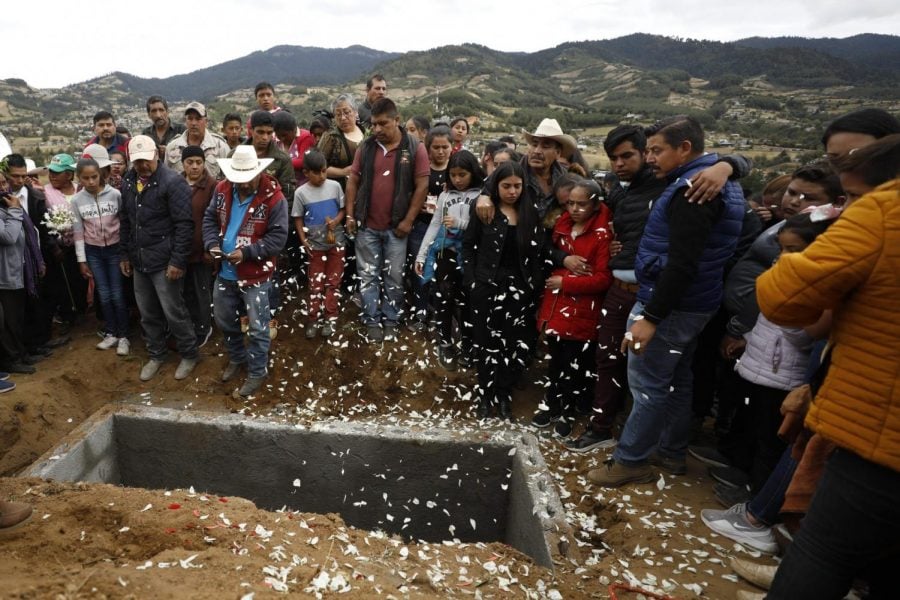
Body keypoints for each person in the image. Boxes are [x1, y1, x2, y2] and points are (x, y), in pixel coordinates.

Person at [757, 139, 900, 600]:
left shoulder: (882, 214)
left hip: (879, 429)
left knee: (825, 551)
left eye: (852, 196)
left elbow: (784, 298)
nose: (846, 207)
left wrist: (799, 254)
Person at [564, 124, 750, 453]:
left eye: (632, 155)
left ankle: (634, 456)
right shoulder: (621, 190)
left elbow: (683, 260)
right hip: (624, 288)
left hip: (658, 300)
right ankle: (615, 432)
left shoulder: (681, 186)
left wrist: (726, 165)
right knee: (615, 363)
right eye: (612, 158)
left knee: (651, 382)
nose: (621, 163)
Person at [203, 145, 288, 397]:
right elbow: (209, 219)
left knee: (259, 326)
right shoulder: (222, 190)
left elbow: (278, 238)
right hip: (225, 272)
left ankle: (257, 371)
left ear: (258, 173)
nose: (242, 184)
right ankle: (238, 358)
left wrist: (248, 253)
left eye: (246, 179)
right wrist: (212, 244)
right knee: (224, 319)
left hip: (257, 275)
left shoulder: (274, 199)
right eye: (237, 179)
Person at [462, 160, 542, 420]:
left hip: (519, 290)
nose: (512, 191)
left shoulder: (531, 212)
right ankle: (485, 395)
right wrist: (473, 283)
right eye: (506, 186)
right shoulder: (485, 210)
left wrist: (532, 285)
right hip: (487, 286)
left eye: (517, 186)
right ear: (495, 186)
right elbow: (468, 247)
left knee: (512, 345)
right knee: (487, 344)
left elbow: (538, 252)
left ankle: (504, 393)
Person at [344, 98, 429, 342]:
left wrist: (408, 221)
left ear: (397, 120)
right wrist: (350, 214)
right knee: (368, 274)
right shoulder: (367, 146)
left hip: (397, 227)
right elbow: (353, 181)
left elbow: (422, 185)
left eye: (383, 124)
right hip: (367, 226)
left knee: (394, 276)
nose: (377, 129)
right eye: (373, 125)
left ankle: (391, 319)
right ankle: (372, 319)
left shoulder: (414, 147)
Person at [533, 179, 612, 438]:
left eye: (582, 204)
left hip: (581, 312)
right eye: (571, 204)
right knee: (556, 361)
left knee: (576, 365)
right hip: (557, 307)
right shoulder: (562, 225)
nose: (575, 209)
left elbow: (602, 279)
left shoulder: (602, 235)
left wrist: (565, 282)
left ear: (595, 204)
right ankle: (552, 404)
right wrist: (563, 265)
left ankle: (569, 410)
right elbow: (547, 253)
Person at [119, 135, 199, 381]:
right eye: (137, 161)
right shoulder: (129, 182)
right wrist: (125, 253)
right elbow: (126, 220)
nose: (143, 165)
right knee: (147, 312)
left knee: (174, 310)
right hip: (140, 259)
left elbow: (185, 225)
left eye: (146, 160)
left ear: (156, 155)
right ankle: (156, 354)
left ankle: (189, 353)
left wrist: (177, 261)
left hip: (164, 260)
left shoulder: (172, 183)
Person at [414, 150, 484, 368]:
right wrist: (422, 254)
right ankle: (444, 342)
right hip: (445, 255)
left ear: (472, 172)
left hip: (471, 257)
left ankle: (468, 344)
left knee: (467, 301)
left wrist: (460, 224)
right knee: (444, 298)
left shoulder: (482, 196)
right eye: (453, 175)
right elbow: (436, 224)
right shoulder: (445, 196)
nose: (457, 180)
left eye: (462, 174)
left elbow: (483, 227)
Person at [71, 157, 129, 356]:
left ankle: (123, 335)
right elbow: (78, 231)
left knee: (117, 293)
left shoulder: (115, 195)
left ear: (101, 175)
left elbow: (124, 222)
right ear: (79, 179)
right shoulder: (77, 200)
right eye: (85, 178)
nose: (91, 182)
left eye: (94, 177)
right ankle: (111, 332)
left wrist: (124, 252)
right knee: (103, 293)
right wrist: (81, 260)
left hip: (114, 249)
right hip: (93, 251)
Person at [293, 150, 346, 338]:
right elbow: (298, 218)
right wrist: (303, 239)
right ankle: (313, 318)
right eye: (316, 172)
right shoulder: (301, 193)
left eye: (324, 171)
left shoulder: (335, 187)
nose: (321, 176)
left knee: (333, 281)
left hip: (336, 243)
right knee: (316, 282)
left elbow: (342, 210)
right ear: (306, 173)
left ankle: (331, 317)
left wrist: (336, 221)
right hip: (314, 245)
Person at [406, 125, 452, 331]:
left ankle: (440, 314)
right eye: (436, 147)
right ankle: (420, 313)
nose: (441, 151)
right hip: (421, 227)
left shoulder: (457, 171)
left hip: (448, 232)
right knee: (420, 270)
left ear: (452, 147)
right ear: (428, 148)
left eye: (445, 146)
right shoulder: (422, 170)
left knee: (443, 273)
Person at [0, 165, 43, 375]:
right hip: (5, 273)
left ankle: (23, 353)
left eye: (3, 183)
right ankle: (12, 359)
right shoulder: (10, 207)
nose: (4, 187)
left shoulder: (5, 204)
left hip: (17, 268)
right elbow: (8, 237)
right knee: (9, 320)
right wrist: (15, 211)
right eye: (0, 184)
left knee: (19, 316)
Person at [180, 146, 216, 347]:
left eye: (199, 162)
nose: (194, 167)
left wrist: (209, 248)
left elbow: (215, 219)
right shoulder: (176, 183)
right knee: (185, 291)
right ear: (183, 164)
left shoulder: (211, 186)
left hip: (202, 250)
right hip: (180, 251)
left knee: (202, 290)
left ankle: (204, 327)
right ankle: (189, 326)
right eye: (190, 162)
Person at [164, 102, 230, 179]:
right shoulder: (172, 147)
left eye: (198, 119)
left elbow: (228, 181)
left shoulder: (220, 147)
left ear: (206, 121)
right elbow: (166, 178)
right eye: (190, 118)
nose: (193, 123)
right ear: (186, 121)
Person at [317, 94, 365, 190]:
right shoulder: (330, 137)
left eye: (347, 112)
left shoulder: (365, 132)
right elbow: (318, 166)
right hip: (339, 190)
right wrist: (343, 172)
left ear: (355, 112)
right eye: (338, 114)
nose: (343, 118)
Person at [273, 110, 317, 189]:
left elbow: (303, 161)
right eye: (278, 135)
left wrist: (280, 163)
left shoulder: (305, 137)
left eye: (285, 135)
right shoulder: (274, 141)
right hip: (283, 187)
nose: (282, 138)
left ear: (294, 130)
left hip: (303, 187)